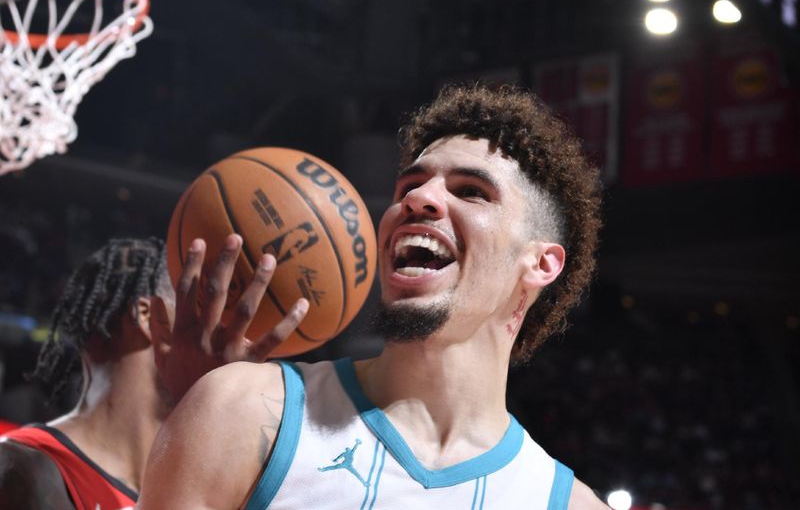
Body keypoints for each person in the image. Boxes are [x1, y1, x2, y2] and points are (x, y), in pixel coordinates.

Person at [139, 85, 609, 509]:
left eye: (471, 191)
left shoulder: (567, 505)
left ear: (541, 264)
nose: (419, 199)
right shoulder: (241, 409)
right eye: (410, 185)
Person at [0, 236, 307, 510]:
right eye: (201, 302)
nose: (229, 330)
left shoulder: (192, 491)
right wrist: (209, 405)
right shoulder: (22, 467)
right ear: (148, 317)